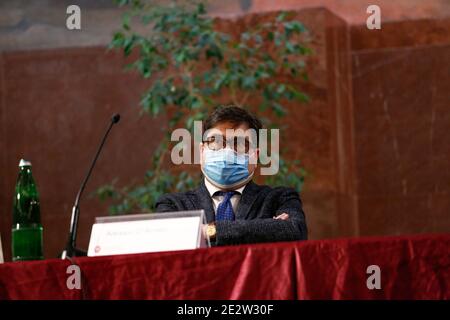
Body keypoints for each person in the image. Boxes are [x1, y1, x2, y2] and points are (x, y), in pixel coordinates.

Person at [155, 105, 307, 245]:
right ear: (202, 152)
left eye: (239, 143)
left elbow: (294, 230)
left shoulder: (279, 199)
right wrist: (267, 227)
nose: (227, 151)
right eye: (215, 141)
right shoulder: (174, 205)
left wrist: (208, 231)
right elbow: (168, 239)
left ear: (255, 156)